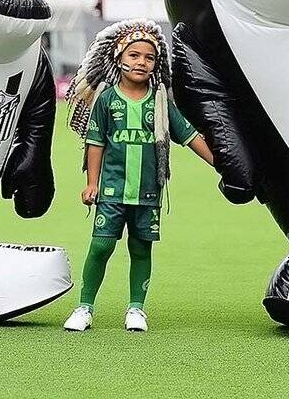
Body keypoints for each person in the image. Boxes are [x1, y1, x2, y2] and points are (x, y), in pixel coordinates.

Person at [62, 19, 213, 332]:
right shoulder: (107, 100)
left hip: (147, 193)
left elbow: (188, 135)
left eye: (148, 57)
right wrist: (92, 183)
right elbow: (96, 142)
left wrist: (221, 163)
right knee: (101, 247)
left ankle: (136, 309)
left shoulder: (160, 102)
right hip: (112, 191)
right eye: (134, 55)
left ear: (156, 64)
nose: (141, 62)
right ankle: (84, 306)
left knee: (141, 249)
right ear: (119, 57)